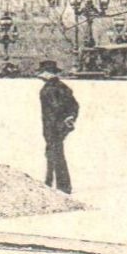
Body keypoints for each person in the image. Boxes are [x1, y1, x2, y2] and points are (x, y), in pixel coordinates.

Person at [37, 60, 79, 193]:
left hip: (53, 126)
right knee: (53, 153)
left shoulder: (48, 89)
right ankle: (52, 182)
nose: (40, 75)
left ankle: (60, 185)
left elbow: (55, 109)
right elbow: (74, 106)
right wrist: (70, 118)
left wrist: (57, 124)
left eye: (42, 72)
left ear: (48, 74)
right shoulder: (63, 87)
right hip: (61, 126)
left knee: (55, 154)